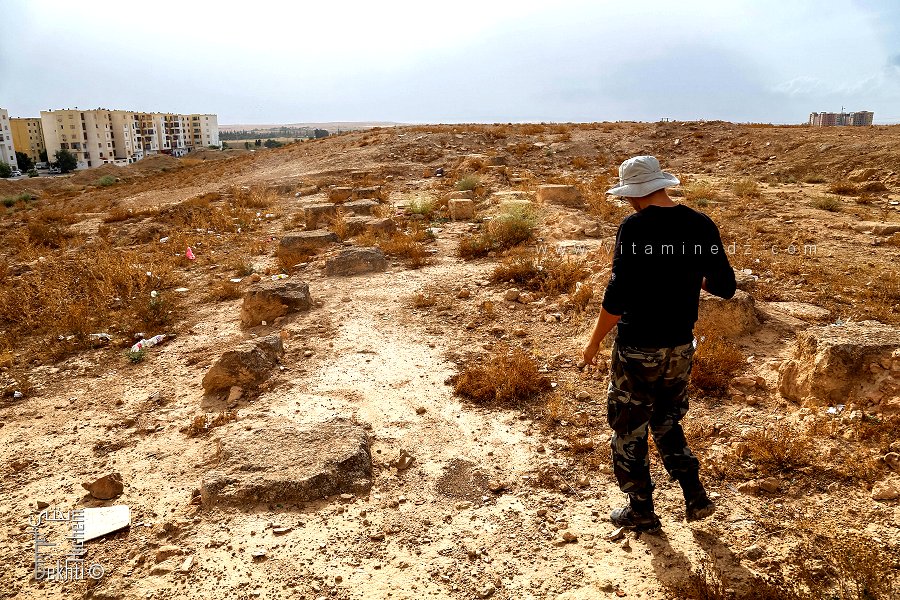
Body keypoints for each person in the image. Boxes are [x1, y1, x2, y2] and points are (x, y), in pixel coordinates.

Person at [582, 155, 736, 532]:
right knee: (667, 420)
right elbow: (725, 287)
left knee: (629, 427)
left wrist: (592, 343)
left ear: (635, 193)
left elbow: (617, 295)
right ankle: (694, 494)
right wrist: (688, 275)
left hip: (638, 346)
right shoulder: (701, 224)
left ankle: (641, 510)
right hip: (681, 345)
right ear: (662, 185)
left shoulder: (633, 228)